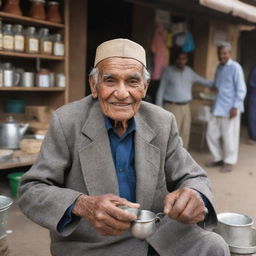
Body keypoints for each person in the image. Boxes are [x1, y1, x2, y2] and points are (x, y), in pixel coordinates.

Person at [18, 38, 229, 256]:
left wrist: (195, 194)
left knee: (214, 246)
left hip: (158, 232)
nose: (121, 93)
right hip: (95, 242)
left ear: (145, 87)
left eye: (132, 82)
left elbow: (195, 176)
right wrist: (83, 205)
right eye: (110, 81)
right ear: (94, 85)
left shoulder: (162, 121)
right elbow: (31, 190)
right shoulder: (67, 121)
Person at [156, 52, 213, 149]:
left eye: (183, 59)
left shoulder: (189, 72)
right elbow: (161, 90)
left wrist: (219, 84)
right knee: (172, 134)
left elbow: (203, 81)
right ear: (176, 59)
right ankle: (168, 159)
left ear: (186, 60)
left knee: (185, 133)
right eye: (179, 58)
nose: (181, 61)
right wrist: (158, 109)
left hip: (186, 107)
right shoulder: (168, 71)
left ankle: (182, 159)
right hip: (172, 107)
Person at [206, 42, 246, 173]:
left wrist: (235, 106)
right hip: (217, 106)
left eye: (224, 53)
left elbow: (241, 89)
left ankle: (229, 161)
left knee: (230, 137)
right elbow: (217, 86)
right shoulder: (219, 67)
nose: (221, 56)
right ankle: (218, 158)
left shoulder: (236, 67)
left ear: (229, 53)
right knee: (211, 134)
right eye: (219, 53)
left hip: (230, 109)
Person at [247, 67, 256, 144]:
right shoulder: (254, 70)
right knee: (252, 116)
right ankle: (253, 137)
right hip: (254, 95)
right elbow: (251, 84)